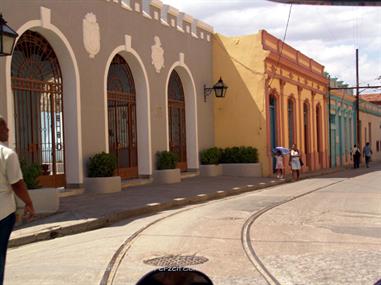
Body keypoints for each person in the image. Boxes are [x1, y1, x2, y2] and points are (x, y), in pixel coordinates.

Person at [0, 116, 35, 285]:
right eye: (5, 127)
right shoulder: (7, 154)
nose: (8, 130)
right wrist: (29, 203)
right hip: (3, 214)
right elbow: (17, 184)